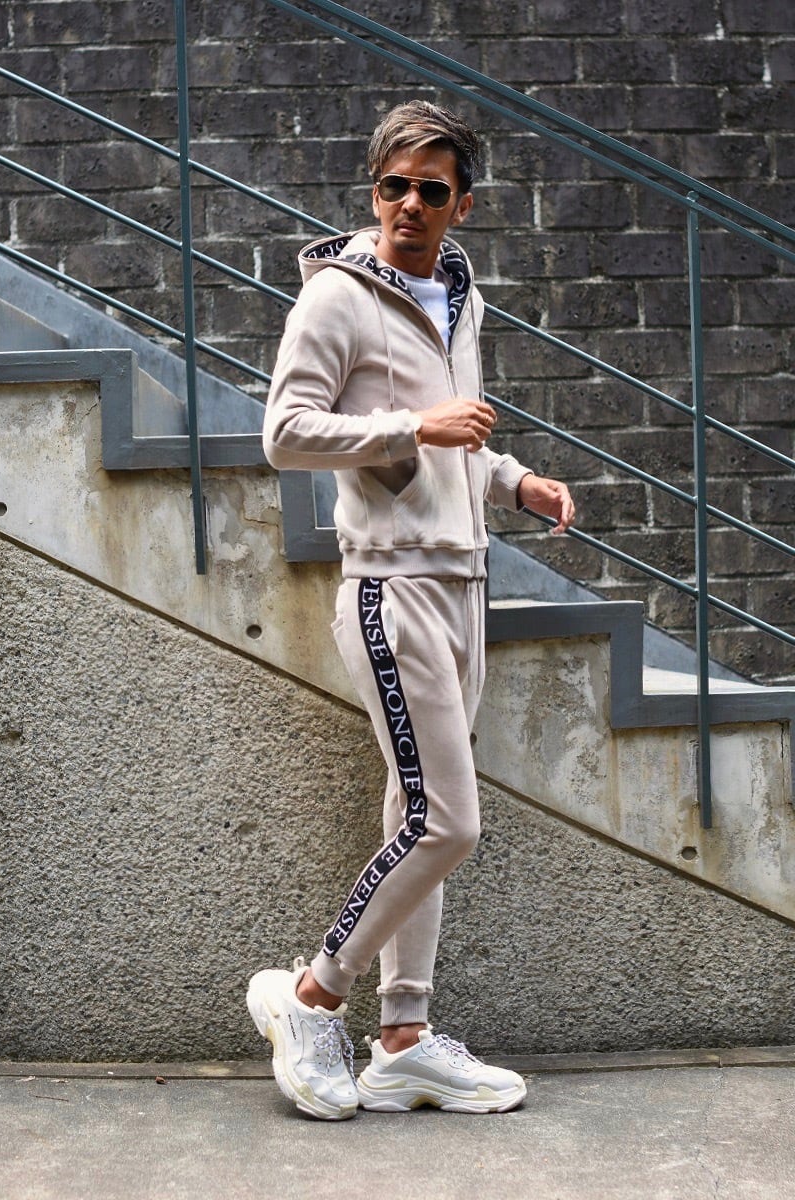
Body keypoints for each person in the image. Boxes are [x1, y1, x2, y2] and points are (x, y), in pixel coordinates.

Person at [249, 99, 575, 1120]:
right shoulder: (336, 299)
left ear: (461, 205)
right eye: (393, 186)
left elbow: (458, 435)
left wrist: (514, 481)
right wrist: (412, 427)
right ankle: (311, 996)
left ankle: (402, 1040)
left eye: (431, 190)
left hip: (465, 580)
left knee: (414, 811)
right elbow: (285, 433)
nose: (409, 205)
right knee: (448, 822)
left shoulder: (459, 296)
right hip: (389, 585)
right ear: (373, 191)